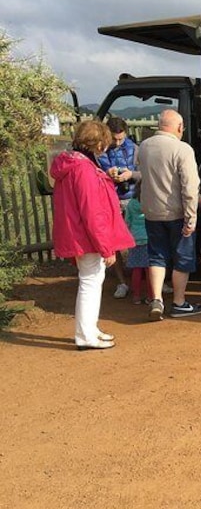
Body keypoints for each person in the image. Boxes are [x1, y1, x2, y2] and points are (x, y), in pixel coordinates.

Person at [50, 120, 135, 350]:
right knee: (90, 281)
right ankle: (85, 335)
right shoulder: (84, 169)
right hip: (86, 236)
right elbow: (92, 212)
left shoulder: (72, 164)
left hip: (78, 233)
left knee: (92, 280)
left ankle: (89, 328)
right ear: (97, 143)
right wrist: (105, 247)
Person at [137, 109, 201, 320]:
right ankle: (179, 302)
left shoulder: (144, 147)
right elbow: (190, 186)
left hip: (151, 213)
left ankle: (156, 298)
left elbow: (142, 176)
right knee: (182, 259)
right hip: (176, 214)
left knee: (157, 256)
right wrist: (191, 217)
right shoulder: (182, 149)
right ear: (179, 127)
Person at [98, 117, 137, 299]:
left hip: (133, 200)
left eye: (121, 139)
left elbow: (144, 171)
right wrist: (107, 175)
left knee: (140, 239)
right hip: (111, 201)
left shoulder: (136, 148)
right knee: (114, 243)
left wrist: (132, 174)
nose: (118, 142)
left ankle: (145, 279)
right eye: (114, 139)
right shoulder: (99, 152)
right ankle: (122, 282)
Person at [123, 182, 152, 304]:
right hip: (149, 239)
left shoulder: (131, 204)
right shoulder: (151, 203)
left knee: (137, 269)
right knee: (150, 270)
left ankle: (136, 296)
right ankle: (151, 296)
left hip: (135, 240)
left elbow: (127, 221)